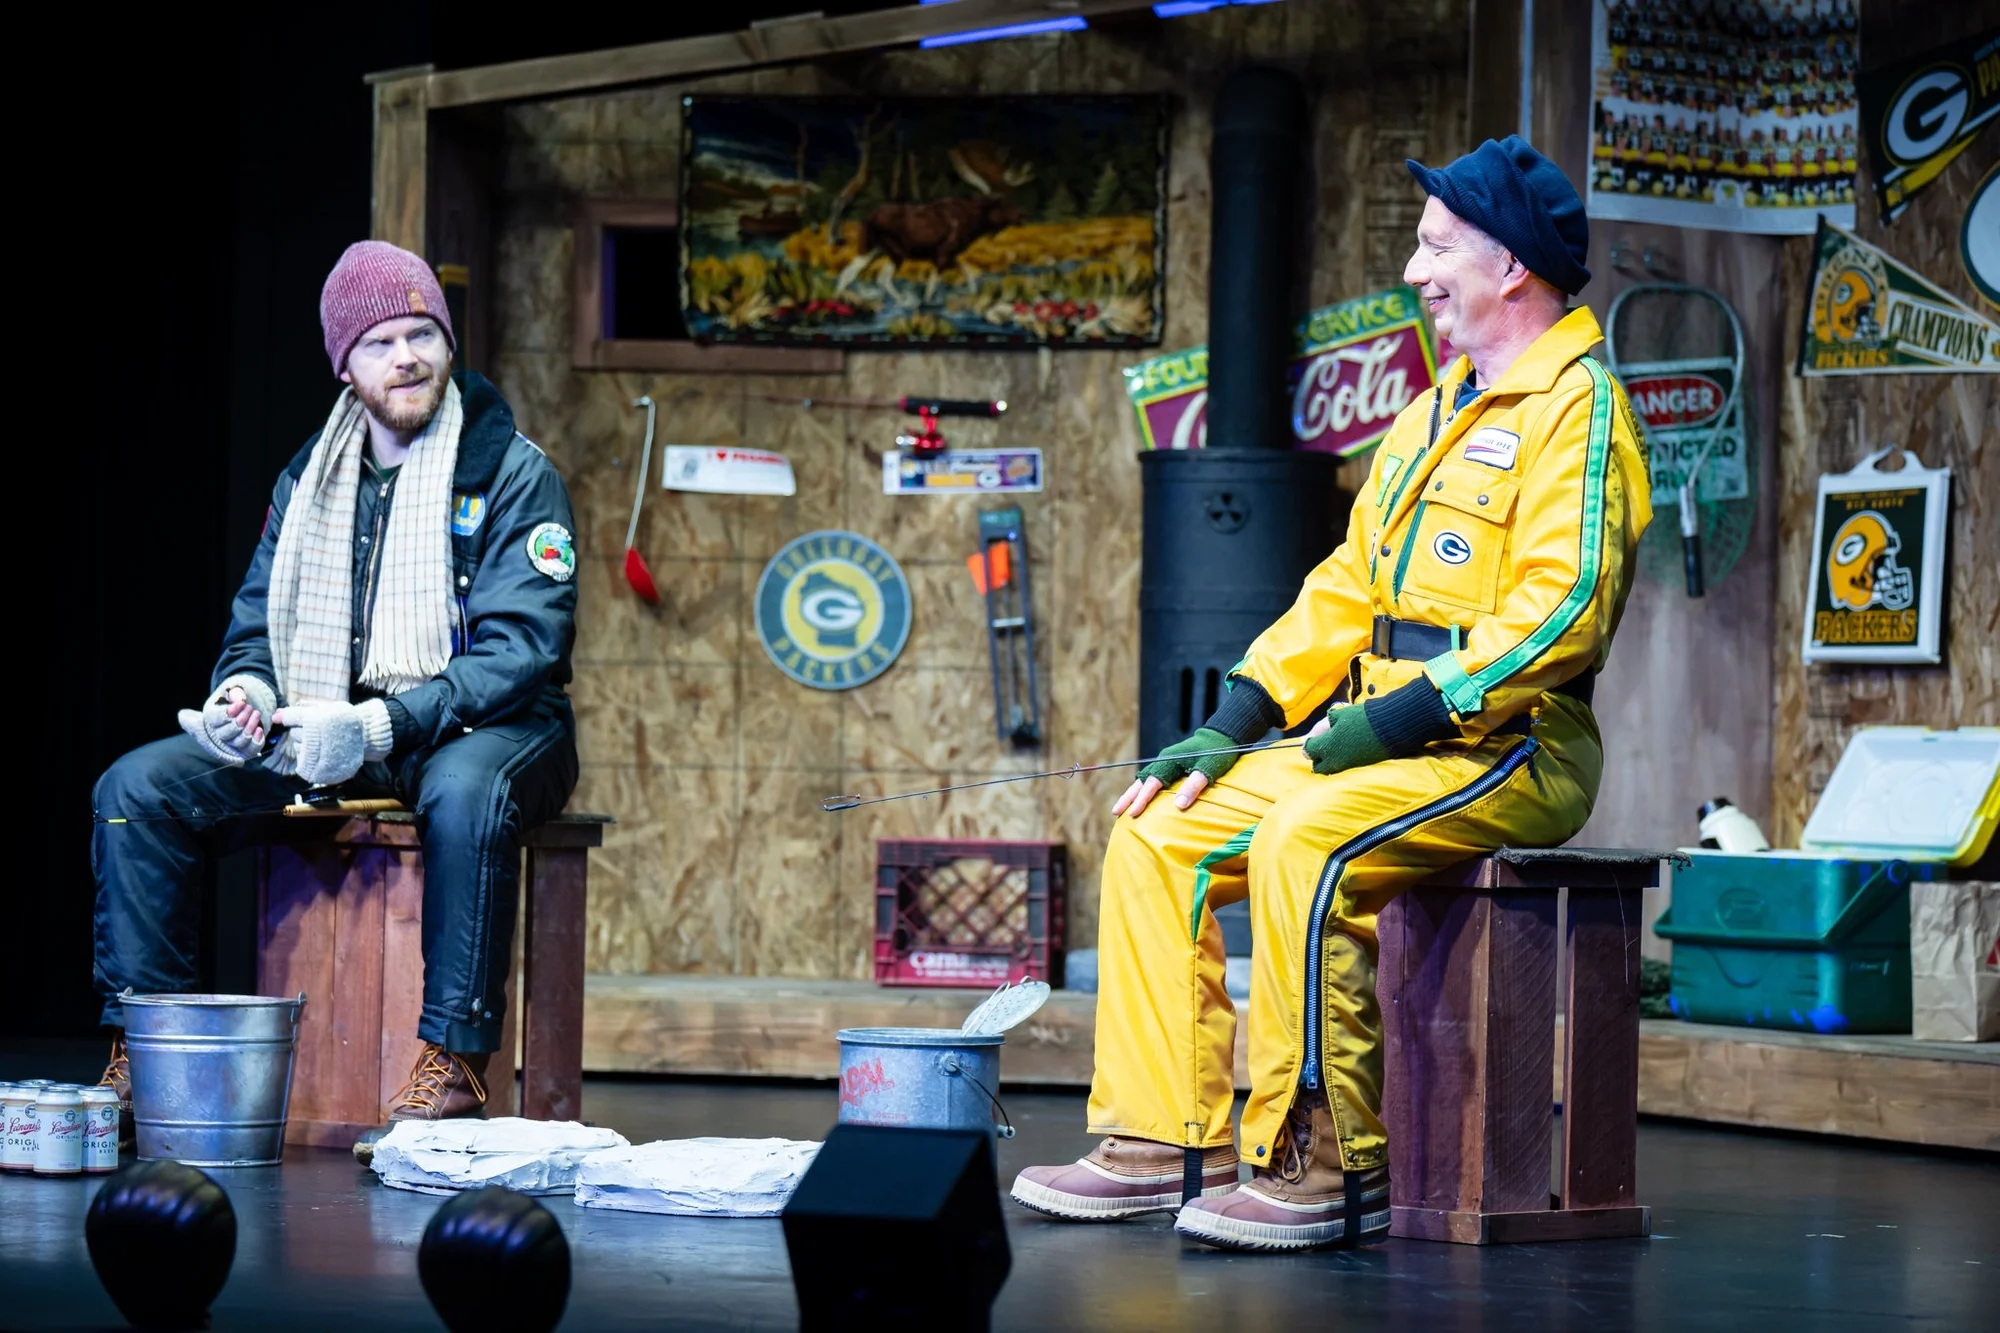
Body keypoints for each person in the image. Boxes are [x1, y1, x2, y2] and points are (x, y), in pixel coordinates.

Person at [1012, 137, 1651, 1252]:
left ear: (1512, 270)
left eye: (1435, 248)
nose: (1412, 271)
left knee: (1303, 837)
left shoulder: (1577, 411)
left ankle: (1322, 1160)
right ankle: (1165, 1137)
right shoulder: (1432, 407)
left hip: (1511, 748)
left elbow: (1561, 617)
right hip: (1383, 747)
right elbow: (1342, 591)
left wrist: (1404, 715)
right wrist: (1228, 723)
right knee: (1158, 829)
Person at [92, 241, 580, 1125]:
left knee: (469, 790)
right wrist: (243, 699)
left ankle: (456, 1061)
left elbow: (521, 652)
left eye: (423, 333)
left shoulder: (510, 470)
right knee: (137, 789)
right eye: (382, 342)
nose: (408, 357)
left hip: (488, 727)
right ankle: (145, 1049)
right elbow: (254, 631)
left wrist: (382, 724)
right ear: (345, 366)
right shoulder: (309, 479)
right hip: (330, 729)